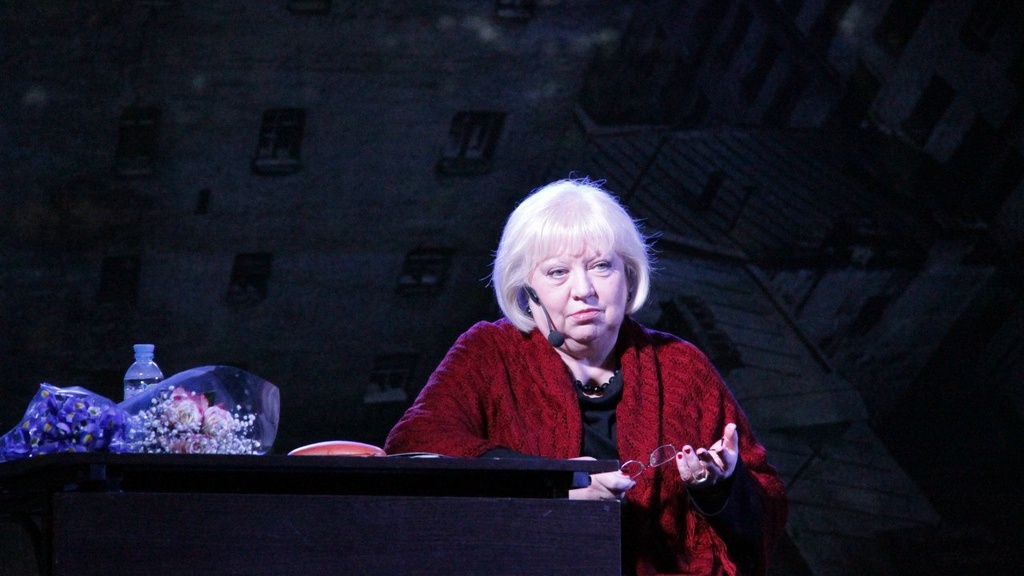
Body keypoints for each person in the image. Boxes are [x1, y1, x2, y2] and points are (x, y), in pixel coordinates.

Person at [385, 178, 787, 576]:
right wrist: (553, 483)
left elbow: (766, 515)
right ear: (527, 290)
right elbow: (413, 444)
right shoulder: (488, 352)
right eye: (558, 272)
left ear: (628, 275)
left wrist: (720, 487)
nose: (584, 289)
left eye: (601, 266)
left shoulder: (681, 364)